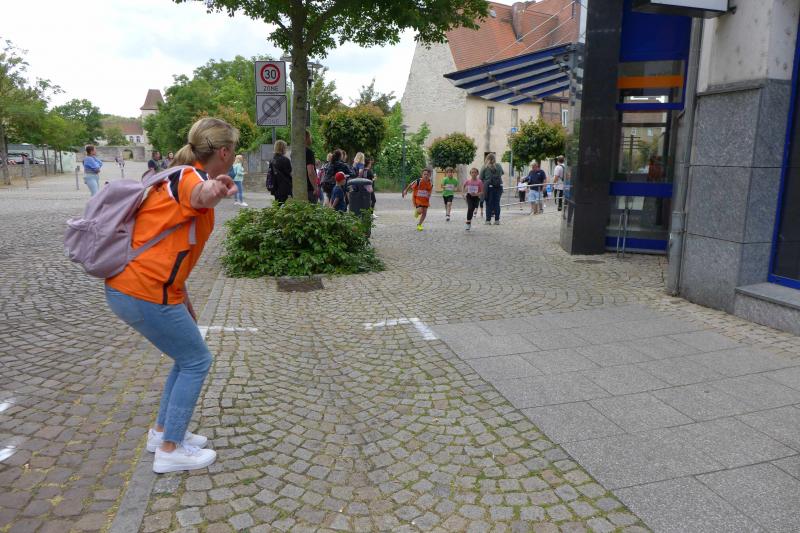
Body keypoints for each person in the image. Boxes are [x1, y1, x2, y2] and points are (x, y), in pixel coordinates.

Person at [105, 117, 238, 473]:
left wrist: (183, 299)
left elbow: (173, 248)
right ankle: (170, 449)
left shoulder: (174, 175)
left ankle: (163, 432)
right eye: (233, 149)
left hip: (137, 287)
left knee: (185, 357)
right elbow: (200, 195)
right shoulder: (191, 178)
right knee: (197, 360)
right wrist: (217, 189)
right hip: (144, 289)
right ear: (224, 152)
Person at [480, 153, 504, 225]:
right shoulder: (499, 166)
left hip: (489, 187)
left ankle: (488, 220)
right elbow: (502, 173)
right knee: (497, 203)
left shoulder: (484, 167)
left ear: (486, 158)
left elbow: (480, 178)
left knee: (488, 204)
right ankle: (497, 220)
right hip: (499, 187)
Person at [271, 140, 293, 204]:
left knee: (278, 205)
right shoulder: (285, 160)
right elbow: (290, 173)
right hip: (285, 188)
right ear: (283, 148)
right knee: (285, 205)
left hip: (275, 187)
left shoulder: (272, 159)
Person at [305, 130, 320, 203]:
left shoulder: (296, 153)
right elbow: (310, 172)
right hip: (310, 189)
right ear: (306, 138)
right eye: (309, 136)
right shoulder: (308, 152)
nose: (310, 138)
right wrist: (315, 187)